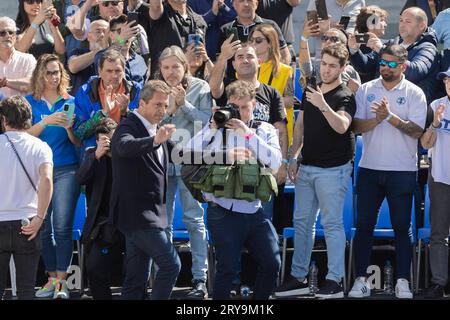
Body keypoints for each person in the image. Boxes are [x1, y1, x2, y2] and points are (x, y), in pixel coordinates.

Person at [184, 80, 282, 299]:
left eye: (245, 108)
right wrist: (212, 130)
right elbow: (186, 154)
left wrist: (248, 133)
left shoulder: (263, 129)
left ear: (254, 105)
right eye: (235, 108)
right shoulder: (216, 129)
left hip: (254, 211)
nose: (239, 113)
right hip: (222, 210)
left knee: (272, 262)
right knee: (227, 268)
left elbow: (275, 162)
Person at [274, 43, 355, 299]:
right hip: (307, 166)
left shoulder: (345, 95)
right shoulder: (312, 88)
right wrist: (292, 156)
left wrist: (322, 103)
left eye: (333, 66)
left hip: (334, 169)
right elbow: (300, 125)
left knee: (331, 224)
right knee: (302, 223)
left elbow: (342, 126)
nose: (327, 70)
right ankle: (298, 276)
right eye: (324, 64)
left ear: (342, 68)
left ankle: (335, 280)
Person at [348, 44, 427, 299]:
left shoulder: (415, 93)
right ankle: (361, 279)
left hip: (401, 170)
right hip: (369, 168)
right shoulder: (366, 89)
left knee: (402, 227)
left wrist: (389, 116)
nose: (385, 67)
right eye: (383, 62)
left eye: (392, 64)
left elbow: (417, 131)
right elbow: (356, 127)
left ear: (403, 66)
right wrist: (377, 120)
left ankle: (403, 280)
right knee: (363, 226)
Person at [110, 80, 181, 300]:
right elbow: (123, 146)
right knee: (171, 265)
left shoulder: (157, 131)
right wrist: (154, 140)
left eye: (165, 105)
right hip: (138, 216)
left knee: (135, 280)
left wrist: (223, 154)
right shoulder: (128, 125)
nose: (162, 110)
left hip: (149, 215)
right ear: (142, 103)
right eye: (157, 105)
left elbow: (184, 155)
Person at [154, 45, 212, 299]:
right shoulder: (155, 88)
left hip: (192, 161)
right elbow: (148, 122)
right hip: (163, 161)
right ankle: (163, 276)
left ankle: (200, 278)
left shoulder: (201, 86)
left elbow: (207, 123)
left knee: (194, 220)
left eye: (175, 66)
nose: (170, 72)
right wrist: (169, 109)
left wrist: (184, 104)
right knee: (162, 222)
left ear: (185, 66)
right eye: (165, 67)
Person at [26, 54, 81, 299]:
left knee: (61, 226)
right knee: (44, 227)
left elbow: (78, 142)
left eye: (57, 72)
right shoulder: (29, 102)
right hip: (38, 172)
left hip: (66, 168)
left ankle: (62, 282)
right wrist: (47, 121)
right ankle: (51, 278)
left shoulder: (70, 100)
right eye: (48, 72)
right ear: (40, 74)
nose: (53, 77)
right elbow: (23, 136)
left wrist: (70, 128)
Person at [0, 96, 53, 300]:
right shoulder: (41, 147)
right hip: (28, 222)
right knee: (26, 290)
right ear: (29, 118)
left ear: (4, 119)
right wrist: (40, 217)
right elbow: (47, 180)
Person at [75, 118, 124, 300]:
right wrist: (97, 155)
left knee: (135, 271)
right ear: (97, 141)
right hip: (101, 225)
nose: (108, 144)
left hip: (128, 222)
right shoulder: (91, 156)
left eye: (112, 139)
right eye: (104, 140)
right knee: (95, 269)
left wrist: (117, 155)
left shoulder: (127, 155)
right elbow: (80, 179)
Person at [348, 7, 440, 103]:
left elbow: (415, 72)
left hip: (409, 105)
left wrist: (383, 50)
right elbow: (365, 67)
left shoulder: (428, 48)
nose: (402, 25)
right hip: (380, 101)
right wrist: (354, 50)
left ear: (421, 26)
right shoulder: (392, 43)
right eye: (401, 20)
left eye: (408, 21)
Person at [419, 69, 450, 299]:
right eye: (447, 80)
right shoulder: (436, 105)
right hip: (440, 178)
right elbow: (425, 143)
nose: (448, 83)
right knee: (438, 234)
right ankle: (439, 283)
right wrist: (435, 124)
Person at [74, 49, 141, 151]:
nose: (114, 76)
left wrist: (126, 112)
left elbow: (144, 127)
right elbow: (79, 133)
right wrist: (103, 113)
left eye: (118, 71)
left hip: (128, 151)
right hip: (98, 154)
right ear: (100, 71)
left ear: (123, 70)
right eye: (109, 71)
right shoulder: (85, 92)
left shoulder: (136, 91)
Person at [219, 0, 291, 81]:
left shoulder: (270, 26)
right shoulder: (225, 30)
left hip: (268, 84)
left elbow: (284, 56)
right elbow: (220, 63)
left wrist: (274, 80)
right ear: (234, 5)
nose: (246, 4)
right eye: (241, 1)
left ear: (256, 4)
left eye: (250, 1)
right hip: (235, 86)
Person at [140, 0, 207, 78]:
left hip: (194, 82)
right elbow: (156, 6)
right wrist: (185, 59)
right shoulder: (161, 14)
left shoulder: (199, 20)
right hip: (164, 83)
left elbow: (201, 60)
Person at [300, 24, 361, 93]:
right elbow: (305, 69)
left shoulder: (351, 70)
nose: (328, 41)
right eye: (325, 38)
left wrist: (357, 90)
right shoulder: (318, 66)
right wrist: (304, 39)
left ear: (344, 45)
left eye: (334, 39)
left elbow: (359, 97)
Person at [68, 19, 110, 95]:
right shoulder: (78, 52)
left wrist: (119, 38)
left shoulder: (114, 55)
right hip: (81, 101)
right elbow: (73, 67)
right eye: (98, 31)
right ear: (88, 36)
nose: (103, 35)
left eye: (106, 32)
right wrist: (100, 50)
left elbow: (122, 41)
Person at [0, 17, 36, 98]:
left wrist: (5, 82)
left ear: (15, 36)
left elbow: (34, 84)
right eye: (2, 33)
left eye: (11, 32)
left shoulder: (28, 59)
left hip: (22, 110)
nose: (8, 36)